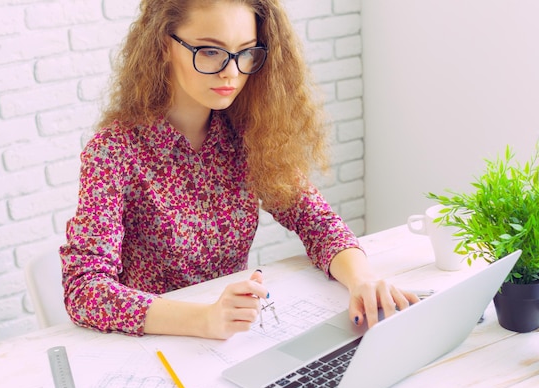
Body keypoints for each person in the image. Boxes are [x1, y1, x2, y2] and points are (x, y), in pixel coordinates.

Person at [60, 0, 419, 340]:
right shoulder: (115, 150)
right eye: (210, 51)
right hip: (155, 345)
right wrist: (204, 319)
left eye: (246, 52)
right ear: (164, 45)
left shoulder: (247, 133)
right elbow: (84, 288)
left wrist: (363, 281)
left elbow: (317, 222)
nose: (232, 72)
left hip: (230, 339)